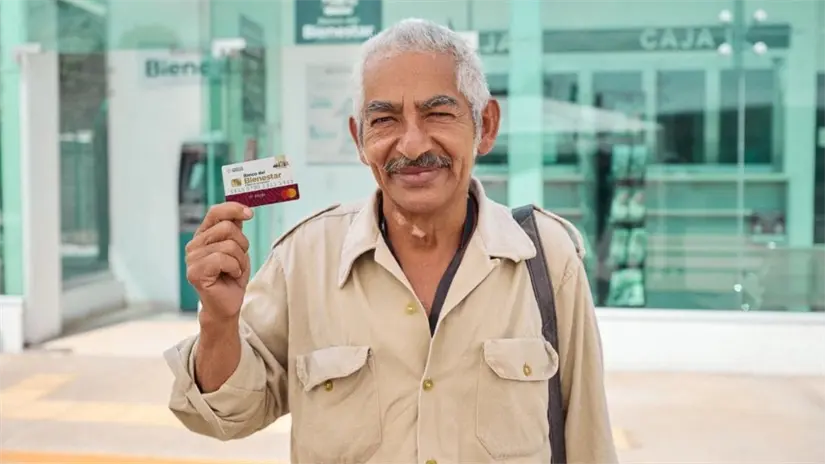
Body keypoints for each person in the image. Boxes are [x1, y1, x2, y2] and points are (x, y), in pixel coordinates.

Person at [165, 18, 619, 464]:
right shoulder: (304, 259)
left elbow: (588, 439)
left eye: (438, 113)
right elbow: (226, 415)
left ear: (486, 124)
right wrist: (219, 322)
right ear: (359, 140)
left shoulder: (546, 258)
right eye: (384, 120)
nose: (412, 144)